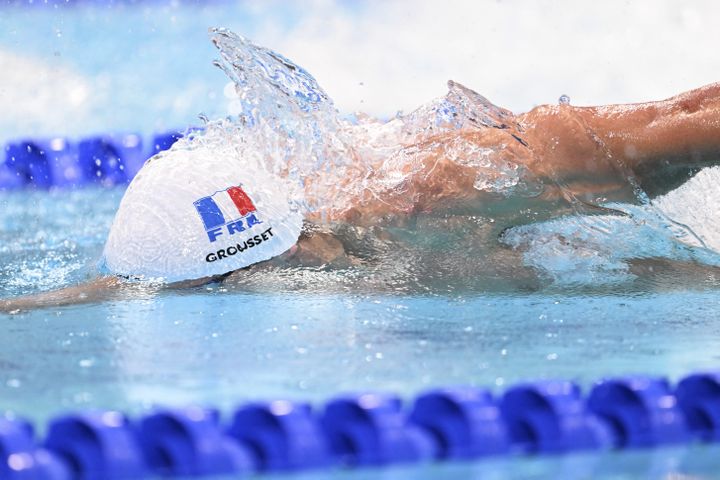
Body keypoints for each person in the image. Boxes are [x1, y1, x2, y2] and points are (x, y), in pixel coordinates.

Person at [2, 81, 720, 312]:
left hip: (494, 173)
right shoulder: (264, 248)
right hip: (485, 222)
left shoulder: (444, 191)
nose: (235, 282)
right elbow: (150, 283)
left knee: (685, 129)